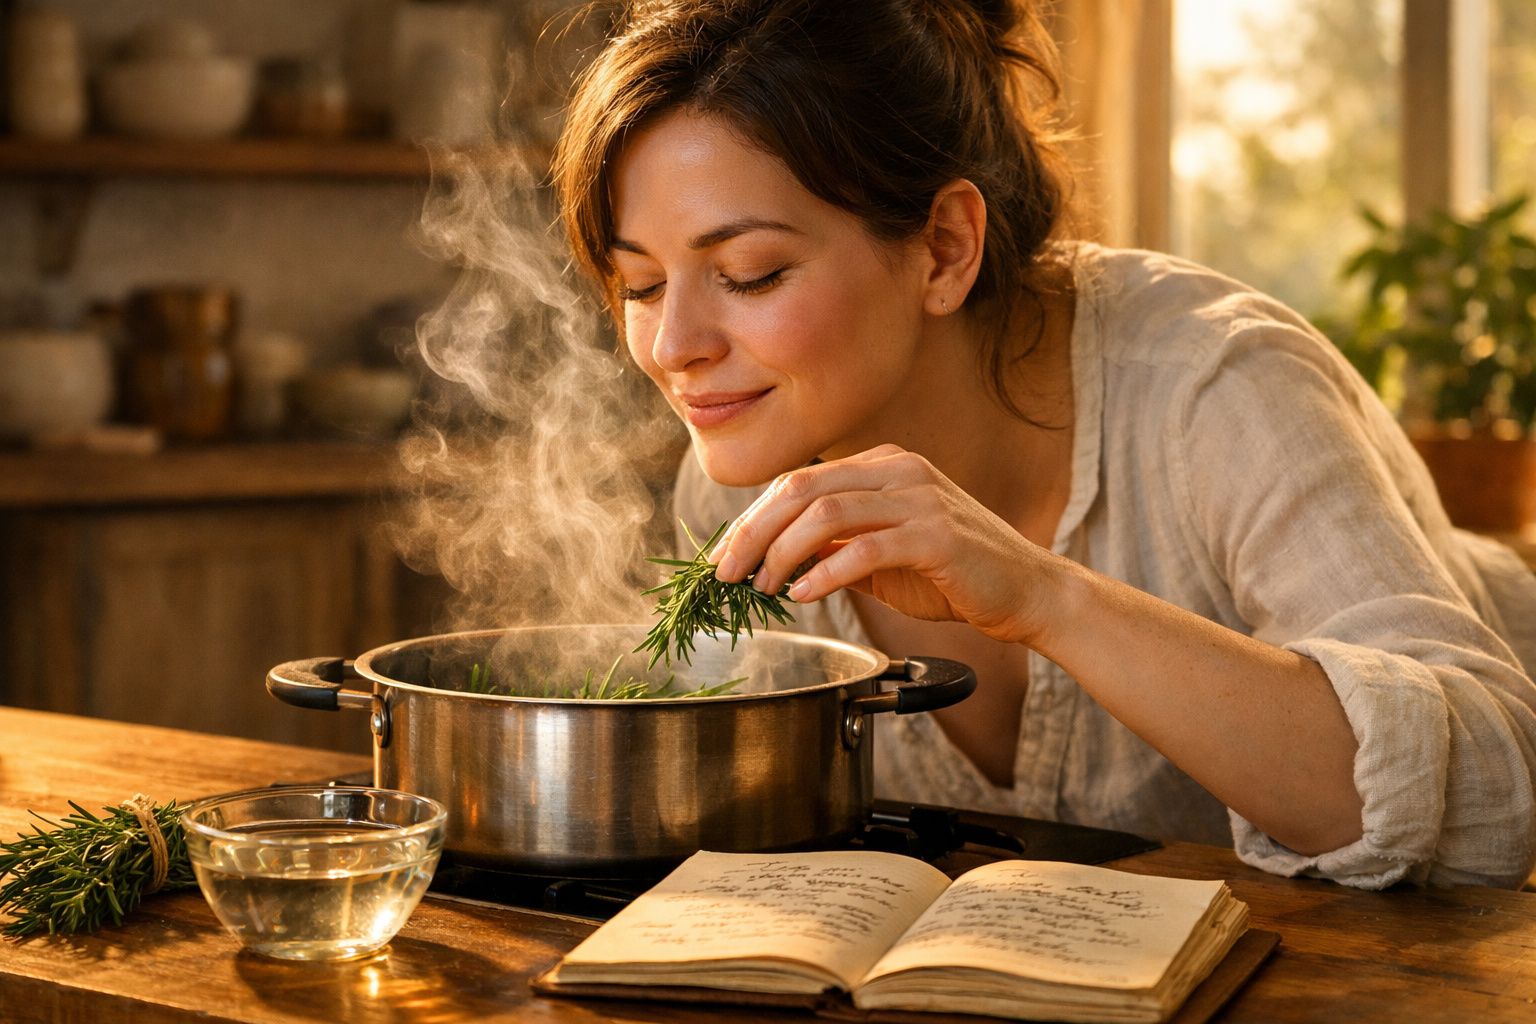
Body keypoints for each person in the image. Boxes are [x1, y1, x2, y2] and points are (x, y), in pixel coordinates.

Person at [551, 0, 1536, 889]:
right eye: (639, 285)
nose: (674, 347)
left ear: (944, 247)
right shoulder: (738, 479)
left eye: (751, 273)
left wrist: (1042, 594)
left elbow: (1489, 809)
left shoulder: (1217, 387)